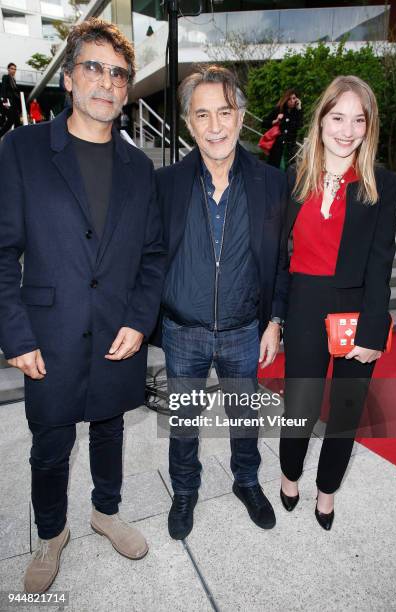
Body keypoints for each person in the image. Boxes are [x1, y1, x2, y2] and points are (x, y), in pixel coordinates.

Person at [0, 18, 166, 592]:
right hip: (48, 331)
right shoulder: (21, 149)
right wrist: (15, 334)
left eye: (119, 73)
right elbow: (2, 251)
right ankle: (51, 534)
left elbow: (153, 256)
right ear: (69, 79)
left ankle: (106, 510)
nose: (107, 81)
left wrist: (140, 320)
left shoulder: (141, 168)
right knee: (50, 440)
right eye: (93, 67)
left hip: (116, 332)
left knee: (110, 426)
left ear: (126, 88)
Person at [152, 66, 289, 540]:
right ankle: (185, 490)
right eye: (202, 114)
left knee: (244, 415)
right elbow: (149, 256)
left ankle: (246, 481)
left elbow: (281, 262)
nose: (215, 126)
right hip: (182, 330)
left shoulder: (272, 183)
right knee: (184, 420)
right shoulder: (165, 184)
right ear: (189, 124)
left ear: (242, 116)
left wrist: (275, 321)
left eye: (225, 112)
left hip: (243, 328)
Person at [279, 75, 396, 530]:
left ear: (369, 127)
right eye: (338, 117)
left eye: (359, 120)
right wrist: (273, 318)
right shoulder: (293, 176)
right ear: (321, 119)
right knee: (301, 408)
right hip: (305, 304)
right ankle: (290, 475)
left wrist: (373, 330)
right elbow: (277, 257)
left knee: (346, 411)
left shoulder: (380, 184)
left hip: (356, 307)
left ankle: (326, 492)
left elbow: (381, 260)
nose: (347, 130)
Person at [261, 89, 302, 169]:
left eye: (294, 98)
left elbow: (300, 126)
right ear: (286, 100)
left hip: (289, 150)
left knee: (287, 172)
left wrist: (299, 108)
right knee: (273, 169)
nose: (292, 101)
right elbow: (264, 123)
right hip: (276, 148)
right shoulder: (279, 109)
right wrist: (275, 121)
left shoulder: (297, 112)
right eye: (290, 99)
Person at [0, 62, 21, 138]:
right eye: (12, 68)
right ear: (8, 69)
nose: (14, 70)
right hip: (8, 103)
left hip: (14, 104)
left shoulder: (14, 81)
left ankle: (15, 138)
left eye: (15, 69)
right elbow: (3, 89)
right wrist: (4, 101)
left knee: (17, 122)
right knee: (11, 120)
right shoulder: (5, 77)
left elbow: (15, 93)